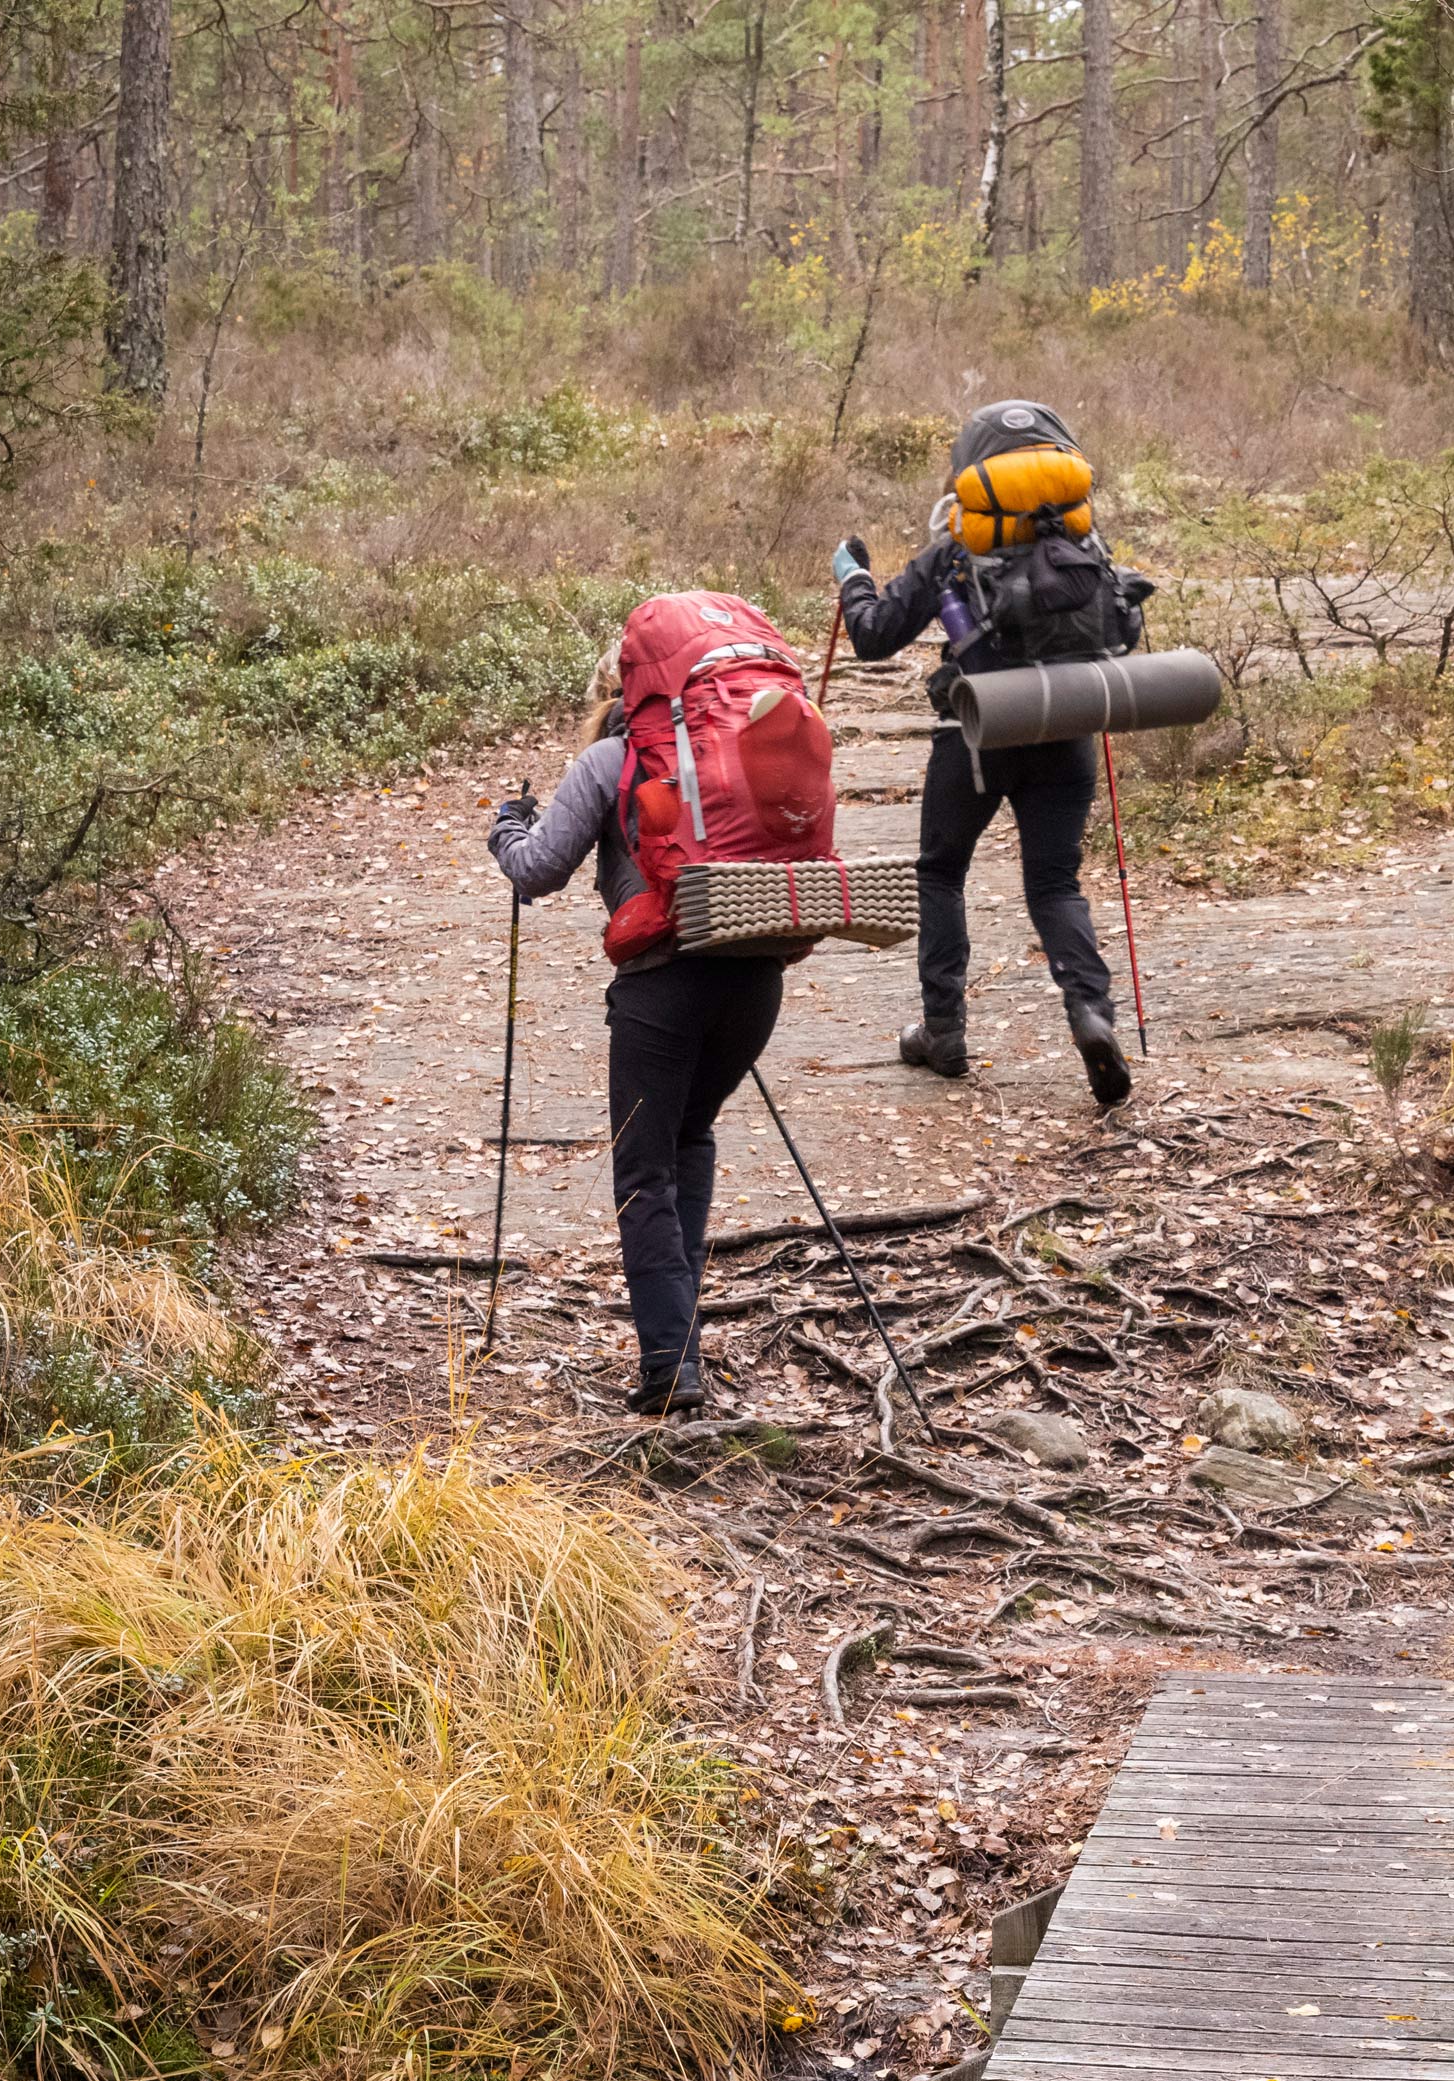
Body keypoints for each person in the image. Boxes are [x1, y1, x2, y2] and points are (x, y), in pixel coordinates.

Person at [834, 398, 1154, 1107]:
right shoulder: (1083, 543)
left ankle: (943, 1031)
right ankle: (1091, 1013)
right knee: (1055, 884)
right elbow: (1121, 632)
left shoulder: (957, 547)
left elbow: (874, 635)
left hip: (975, 736)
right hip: (1065, 727)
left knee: (942, 874)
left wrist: (852, 574)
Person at [489, 668, 782, 1418]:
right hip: (755, 976)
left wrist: (506, 829)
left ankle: (670, 1367)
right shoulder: (741, 744)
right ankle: (677, 1340)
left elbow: (538, 871)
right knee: (691, 1136)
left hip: (661, 987)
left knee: (645, 1171)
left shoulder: (611, 759)